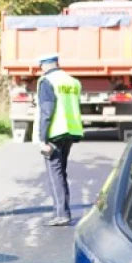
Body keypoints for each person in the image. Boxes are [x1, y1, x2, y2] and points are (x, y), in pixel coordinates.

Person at [36, 53, 84, 227]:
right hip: (70, 132)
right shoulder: (72, 81)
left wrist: (43, 138)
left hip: (54, 133)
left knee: (54, 173)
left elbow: (47, 111)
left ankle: (61, 213)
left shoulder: (47, 81)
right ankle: (63, 211)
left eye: (41, 66)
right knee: (61, 171)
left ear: (45, 65)